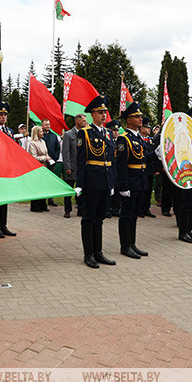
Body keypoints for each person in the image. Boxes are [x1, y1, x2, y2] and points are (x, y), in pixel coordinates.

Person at [75, 96, 116, 268]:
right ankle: (89, 254)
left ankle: (98, 252)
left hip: (105, 182)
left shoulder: (107, 133)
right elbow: (81, 161)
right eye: (100, 112)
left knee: (100, 218)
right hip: (91, 182)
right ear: (92, 114)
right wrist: (79, 184)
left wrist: (112, 183)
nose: (104, 115)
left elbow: (111, 160)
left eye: (105, 112)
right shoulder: (85, 133)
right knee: (89, 218)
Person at [114, 102, 148, 259]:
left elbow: (143, 158)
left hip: (139, 181)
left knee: (134, 215)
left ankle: (132, 244)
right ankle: (125, 246)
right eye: (137, 116)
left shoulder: (139, 138)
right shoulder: (123, 139)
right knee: (126, 215)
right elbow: (120, 165)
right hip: (130, 182)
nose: (141, 119)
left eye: (140, 116)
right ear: (128, 120)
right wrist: (123, 186)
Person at [170, 107, 192, 242]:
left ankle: (189, 230)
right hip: (184, 172)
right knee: (185, 203)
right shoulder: (181, 133)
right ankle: (182, 232)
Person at [0, 101, 18, 237]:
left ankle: (4, 226)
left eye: (5, 114)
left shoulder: (9, 131)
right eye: (0, 114)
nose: (3, 117)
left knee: (5, 198)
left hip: (6, 167)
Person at [62, 114, 87, 218]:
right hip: (72, 167)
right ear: (77, 122)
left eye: (85, 121)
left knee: (81, 189)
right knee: (69, 189)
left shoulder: (85, 133)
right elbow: (66, 152)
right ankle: (67, 210)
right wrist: (67, 166)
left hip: (82, 167)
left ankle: (80, 209)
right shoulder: (69, 134)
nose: (85, 122)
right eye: (83, 121)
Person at [27, 125, 52, 213]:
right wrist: (45, 158)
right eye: (41, 131)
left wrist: (49, 158)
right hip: (36, 167)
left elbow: (46, 153)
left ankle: (43, 204)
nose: (43, 133)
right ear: (36, 133)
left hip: (44, 166)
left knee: (43, 186)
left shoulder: (43, 142)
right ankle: (35, 206)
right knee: (37, 187)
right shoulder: (32, 143)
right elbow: (33, 157)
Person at [41, 119, 61, 207]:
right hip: (43, 162)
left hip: (52, 162)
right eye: (46, 124)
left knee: (51, 181)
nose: (48, 126)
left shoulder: (54, 136)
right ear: (42, 125)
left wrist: (55, 157)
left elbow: (58, 148)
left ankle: (50, 199)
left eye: (48, 124)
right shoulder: (40, 136)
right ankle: (42, 200)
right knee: (43, 181)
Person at [139, 116, 157, 218]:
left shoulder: (150, 140)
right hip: (142, 168)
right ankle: (140, 209)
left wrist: (155, 169)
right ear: (142, 129)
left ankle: (146, 208)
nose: (149, 129)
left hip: (150, 169)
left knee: (149, 190)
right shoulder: (139, 139)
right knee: (142, 190)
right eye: (147, 127)